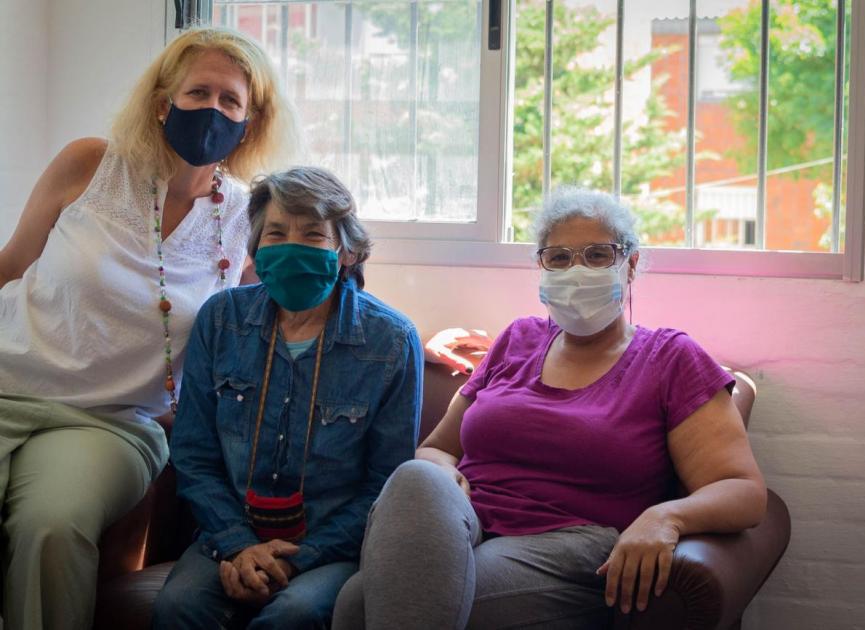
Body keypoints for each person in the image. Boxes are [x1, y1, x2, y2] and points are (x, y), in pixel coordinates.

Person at [333, 187, 768, 629]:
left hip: (569, 541)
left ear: (630, 264)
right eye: (558, 258)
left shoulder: (670, 357)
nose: (576, 270)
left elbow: (744, 492)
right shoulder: (517, 339)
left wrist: (666, 516)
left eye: (598, 255)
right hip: (467, 520)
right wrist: (443, 473)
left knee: (361, 604)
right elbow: (436, 449)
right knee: (415, 477)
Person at [0, 27, 296, 630]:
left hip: (113, 423)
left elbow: (241, 340)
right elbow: (10, 265)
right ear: (164, 102)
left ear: (250, 120)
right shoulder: (88, 164)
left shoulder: (248, 217)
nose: (212, 110)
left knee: (51, 525)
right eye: (197, 93)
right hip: (6, 385)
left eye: (230, 101)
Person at [151, 166, 423, 629]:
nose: (291, 246)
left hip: (331, 547)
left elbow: (385, 484)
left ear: (346, 252)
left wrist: (298, 558)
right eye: (276, 233)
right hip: (229, 533)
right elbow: (194, 453)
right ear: (255, 248)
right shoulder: (221, 320)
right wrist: (239, 544)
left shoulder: (392, 341)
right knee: (178, 607)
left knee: (293, 616)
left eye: (313, 235)